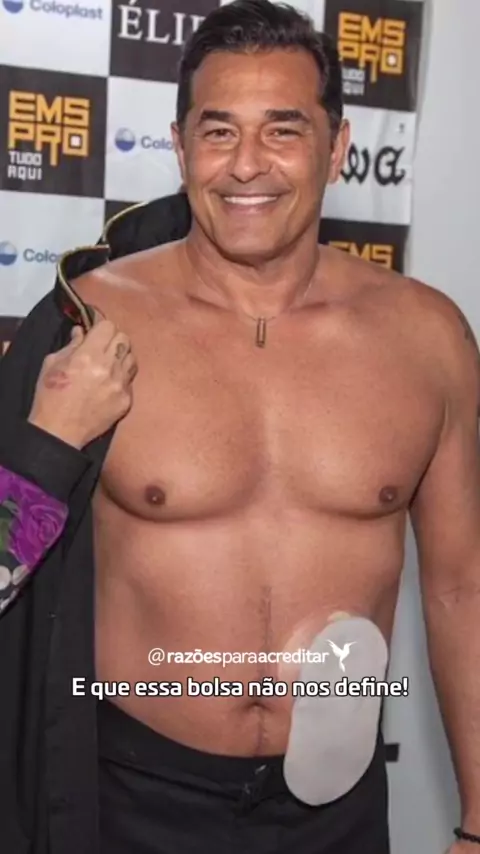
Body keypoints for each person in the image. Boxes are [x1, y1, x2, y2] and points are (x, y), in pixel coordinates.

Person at [0, 1, 479, 852]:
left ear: (338, 146)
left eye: (283, 130)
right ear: (180, 147)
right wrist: (45, 445)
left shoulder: (427, 337)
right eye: (218, 132)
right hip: (130, 803)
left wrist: (479, 821)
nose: (247, 165)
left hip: (338, 809)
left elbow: (460, 590)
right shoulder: (87, 324)